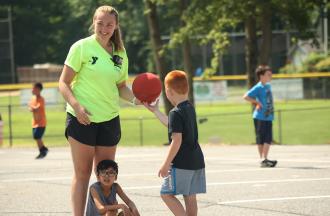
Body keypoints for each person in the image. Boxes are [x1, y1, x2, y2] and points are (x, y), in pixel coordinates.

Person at [58, 5, 140, 216]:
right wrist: (77, 107)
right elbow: (63, 83)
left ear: (116, 26)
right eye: (100, 23)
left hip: (110, 120)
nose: (104, 28)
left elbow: (121, 87)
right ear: (93, 22)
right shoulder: (81, 47)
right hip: (81, 119)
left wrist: (137, 100)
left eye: (109, 25)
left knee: (106, 174)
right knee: (83, 173)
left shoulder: (120, 53)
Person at [144, 70, 206, 216]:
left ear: (168, 91)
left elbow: (176, 140)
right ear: (187, 88)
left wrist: (166, 164)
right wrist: (156, 111)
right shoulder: (189, 108)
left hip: (182, 162)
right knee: (190, 197)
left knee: (166, 194)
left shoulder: (175, 112)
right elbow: (173, 125)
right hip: (196, 160)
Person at [243, 65, 277, 168]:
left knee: (268, 138)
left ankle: (264, 159)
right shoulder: (258, 87)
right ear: (261, 76)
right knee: (261, 138)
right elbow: (246, 96)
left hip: (268, 116)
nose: (270, 76)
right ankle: (263, 159)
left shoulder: (268, 86)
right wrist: (257, 102)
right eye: (268, 74)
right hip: (259, 117)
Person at [28, 82, 48, 159]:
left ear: (38, 89)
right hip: (34, 122)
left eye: (33, 88)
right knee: (36, 137)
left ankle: (42, 151)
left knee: (37, 136)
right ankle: (43, 149)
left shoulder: (41, 99)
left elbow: (37, 108)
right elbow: (30, 108)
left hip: (41, 122)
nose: (32, 90)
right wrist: (32, 107)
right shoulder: (33, 99)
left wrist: (32, 107)